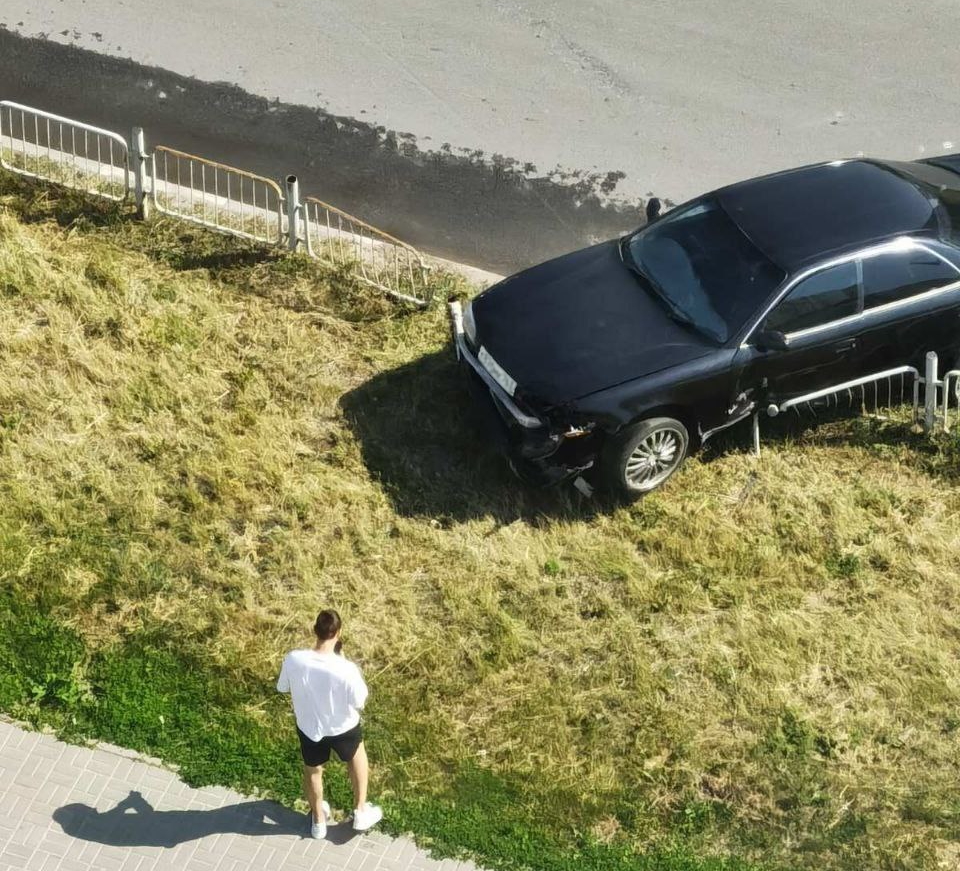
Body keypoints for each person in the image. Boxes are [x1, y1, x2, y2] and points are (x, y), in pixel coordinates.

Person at [277, 609, 383, 839]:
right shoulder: (346, 669)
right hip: (343, 727)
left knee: (313, 772)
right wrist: (341, 660)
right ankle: (361, 809)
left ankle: (317, 821)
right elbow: (359, 701)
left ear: (315, 630)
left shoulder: (294, 659)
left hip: (309, 729)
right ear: (339, 633)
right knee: (357, 758)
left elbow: (282, 687)